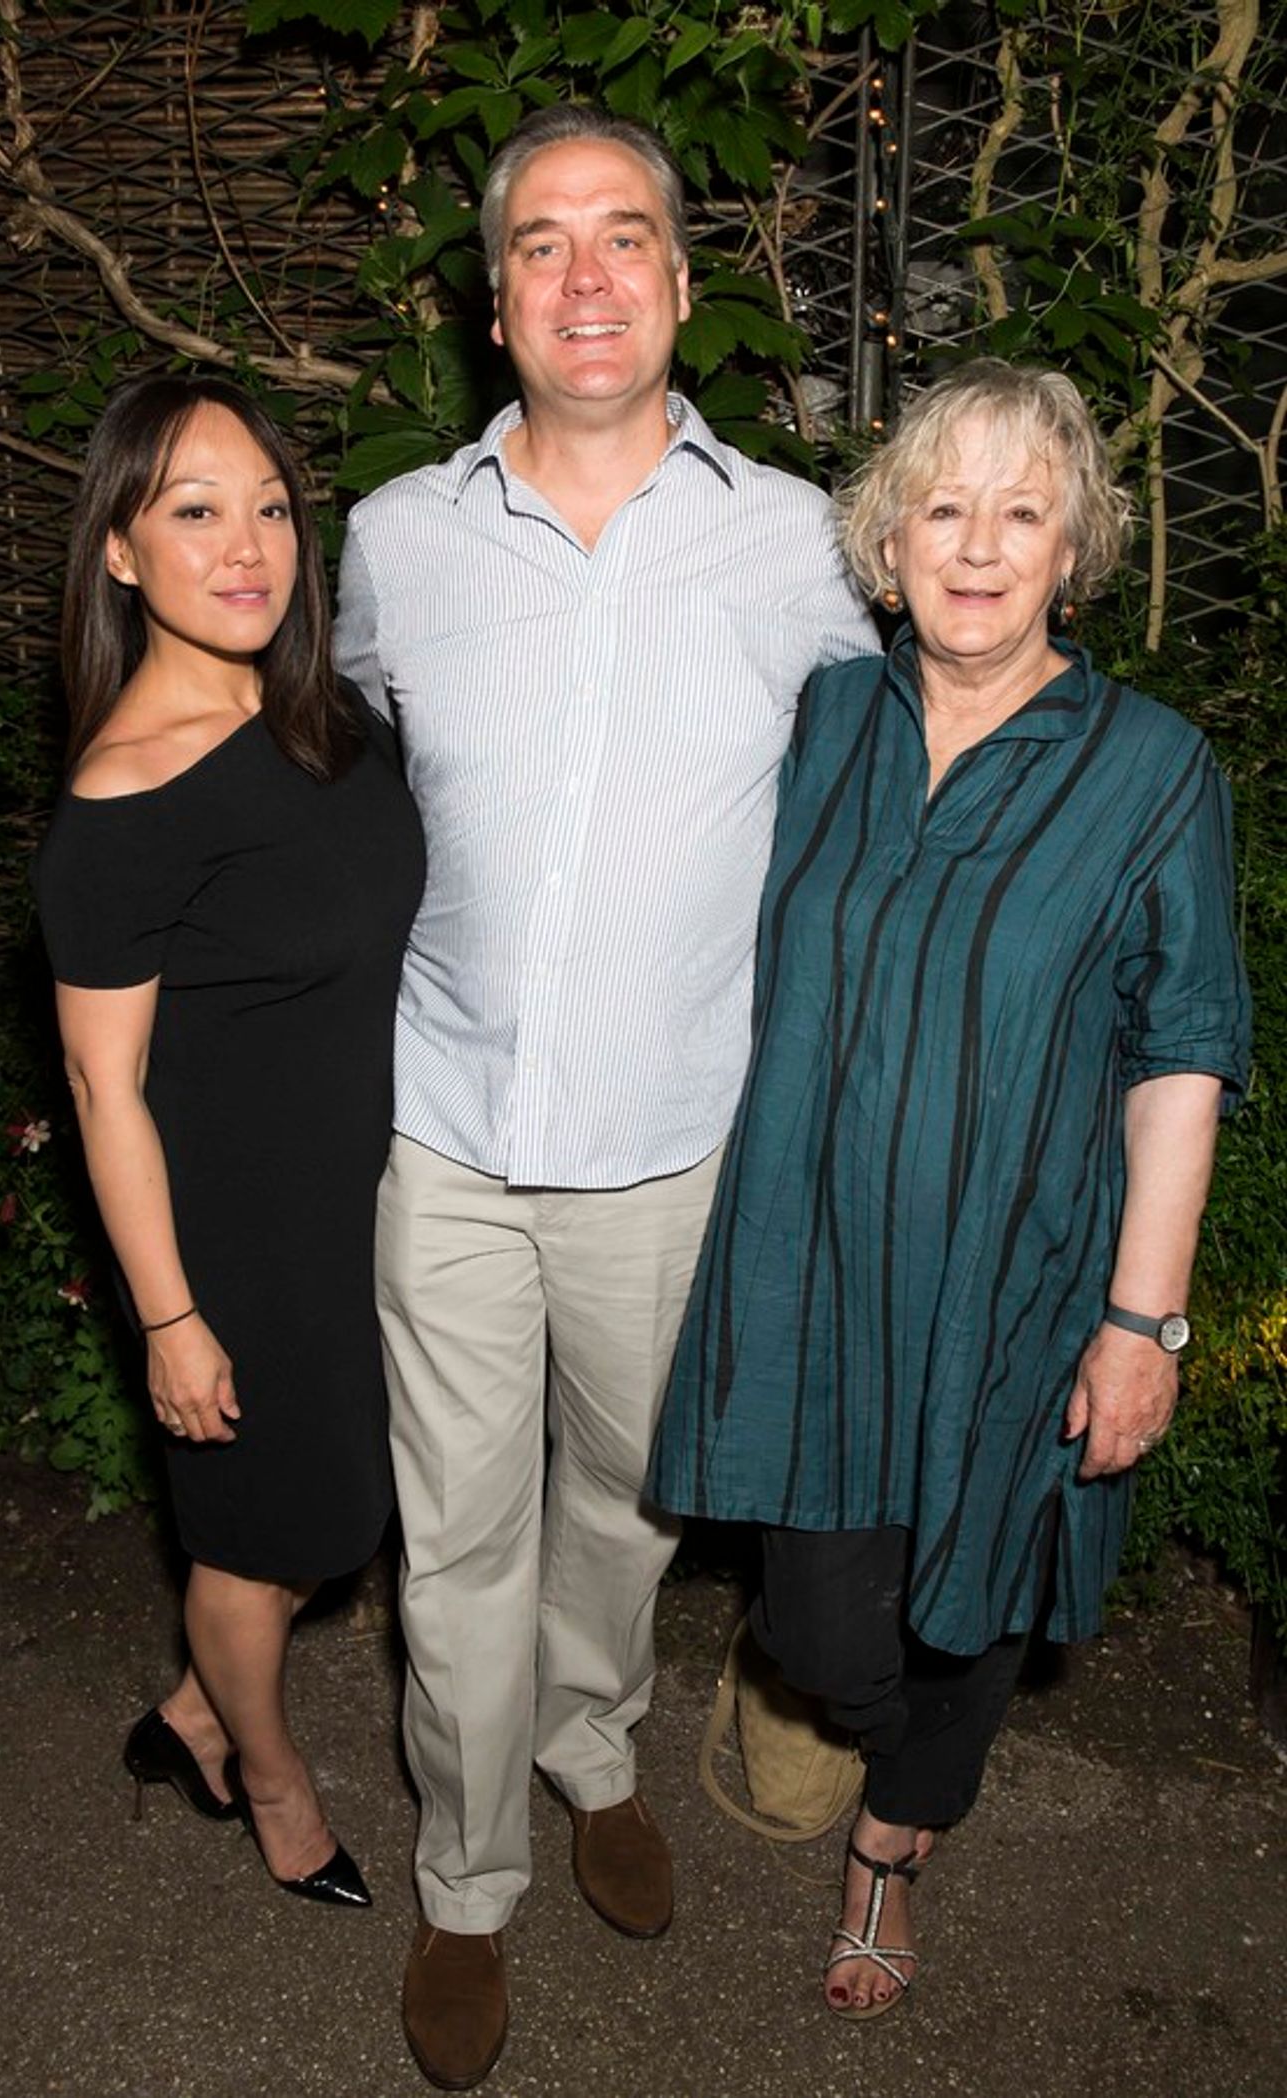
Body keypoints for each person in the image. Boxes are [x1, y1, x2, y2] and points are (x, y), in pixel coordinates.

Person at [334, 102, 876, 2089]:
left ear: (675, 278)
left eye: (623, 235)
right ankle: (466, 1883)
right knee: (451, 1535)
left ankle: (589, 1749)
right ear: (493, 302)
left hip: (675, 1152)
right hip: (449, 1136)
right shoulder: (393, 541)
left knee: (629, 1508)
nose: (584, 273)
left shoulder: (807, 542)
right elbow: (349, 783)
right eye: (542, 242)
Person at [649, 358, 1250, 2020]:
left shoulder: (1152, 771)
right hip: (812, 1265)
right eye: (943, 504)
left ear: (1075, 551)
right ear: (886, 538)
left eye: (1022, 511)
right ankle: (829, 1718)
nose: (977, 544)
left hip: (1020, 1278)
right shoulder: (820, 720)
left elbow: (1181, 1060)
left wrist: (1147, 1320)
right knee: (833, 1632)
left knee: (975, 1593)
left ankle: (892, 1851)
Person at [33, 374, 424, 1909]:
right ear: (121, 549)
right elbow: (100, 1088)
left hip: (371, 1193)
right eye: (195, 509)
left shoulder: (311, 712)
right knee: (271, 1540)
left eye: (268, 504)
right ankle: (262, 1774)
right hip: (242, 1236)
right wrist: (173, 1319)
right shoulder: (123, 800)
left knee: (359, 1505)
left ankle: (196, 1703)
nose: (247, 542)